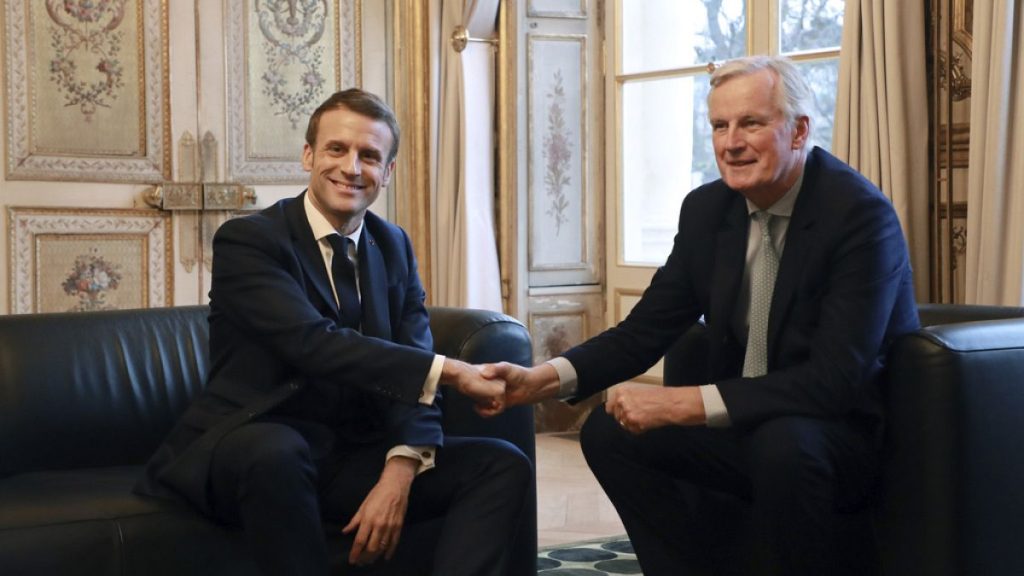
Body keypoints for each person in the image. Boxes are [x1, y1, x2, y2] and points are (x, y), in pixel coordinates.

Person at [483, 55, 919, 576]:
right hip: (748, 421)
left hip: (840, 434)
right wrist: (542, 380)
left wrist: (687, 404)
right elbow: (644, 331)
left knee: (782, 446)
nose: (730, 143)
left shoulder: (859, 216)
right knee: (608, 432)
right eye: (719, 125)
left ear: (799, 130)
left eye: (751, 123)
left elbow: (834, 381)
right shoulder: (708, 210)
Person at [136, 88, 530, 576]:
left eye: (369, 156)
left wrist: (400, 467)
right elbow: (314, 343)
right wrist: (453, 371)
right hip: (253, 440)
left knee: (501, 464)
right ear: (309, 155)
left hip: (347, 454)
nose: (351, 168)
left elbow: (412, 355)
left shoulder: (393, 245)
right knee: (276, 452)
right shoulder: (250, 240)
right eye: (336, 149)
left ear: (386, 172)